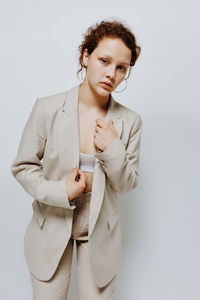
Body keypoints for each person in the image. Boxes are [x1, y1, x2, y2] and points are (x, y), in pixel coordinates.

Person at [10, 19, 143, 300]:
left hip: (99, 233)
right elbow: (23, 167)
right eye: (104, 61)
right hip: (53, 222)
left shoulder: (130, 121)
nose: (111, 74)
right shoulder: (47, 108)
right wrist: (62, 191)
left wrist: (113, 148)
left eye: (121, 68)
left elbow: (128, 184)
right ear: (86, 56)